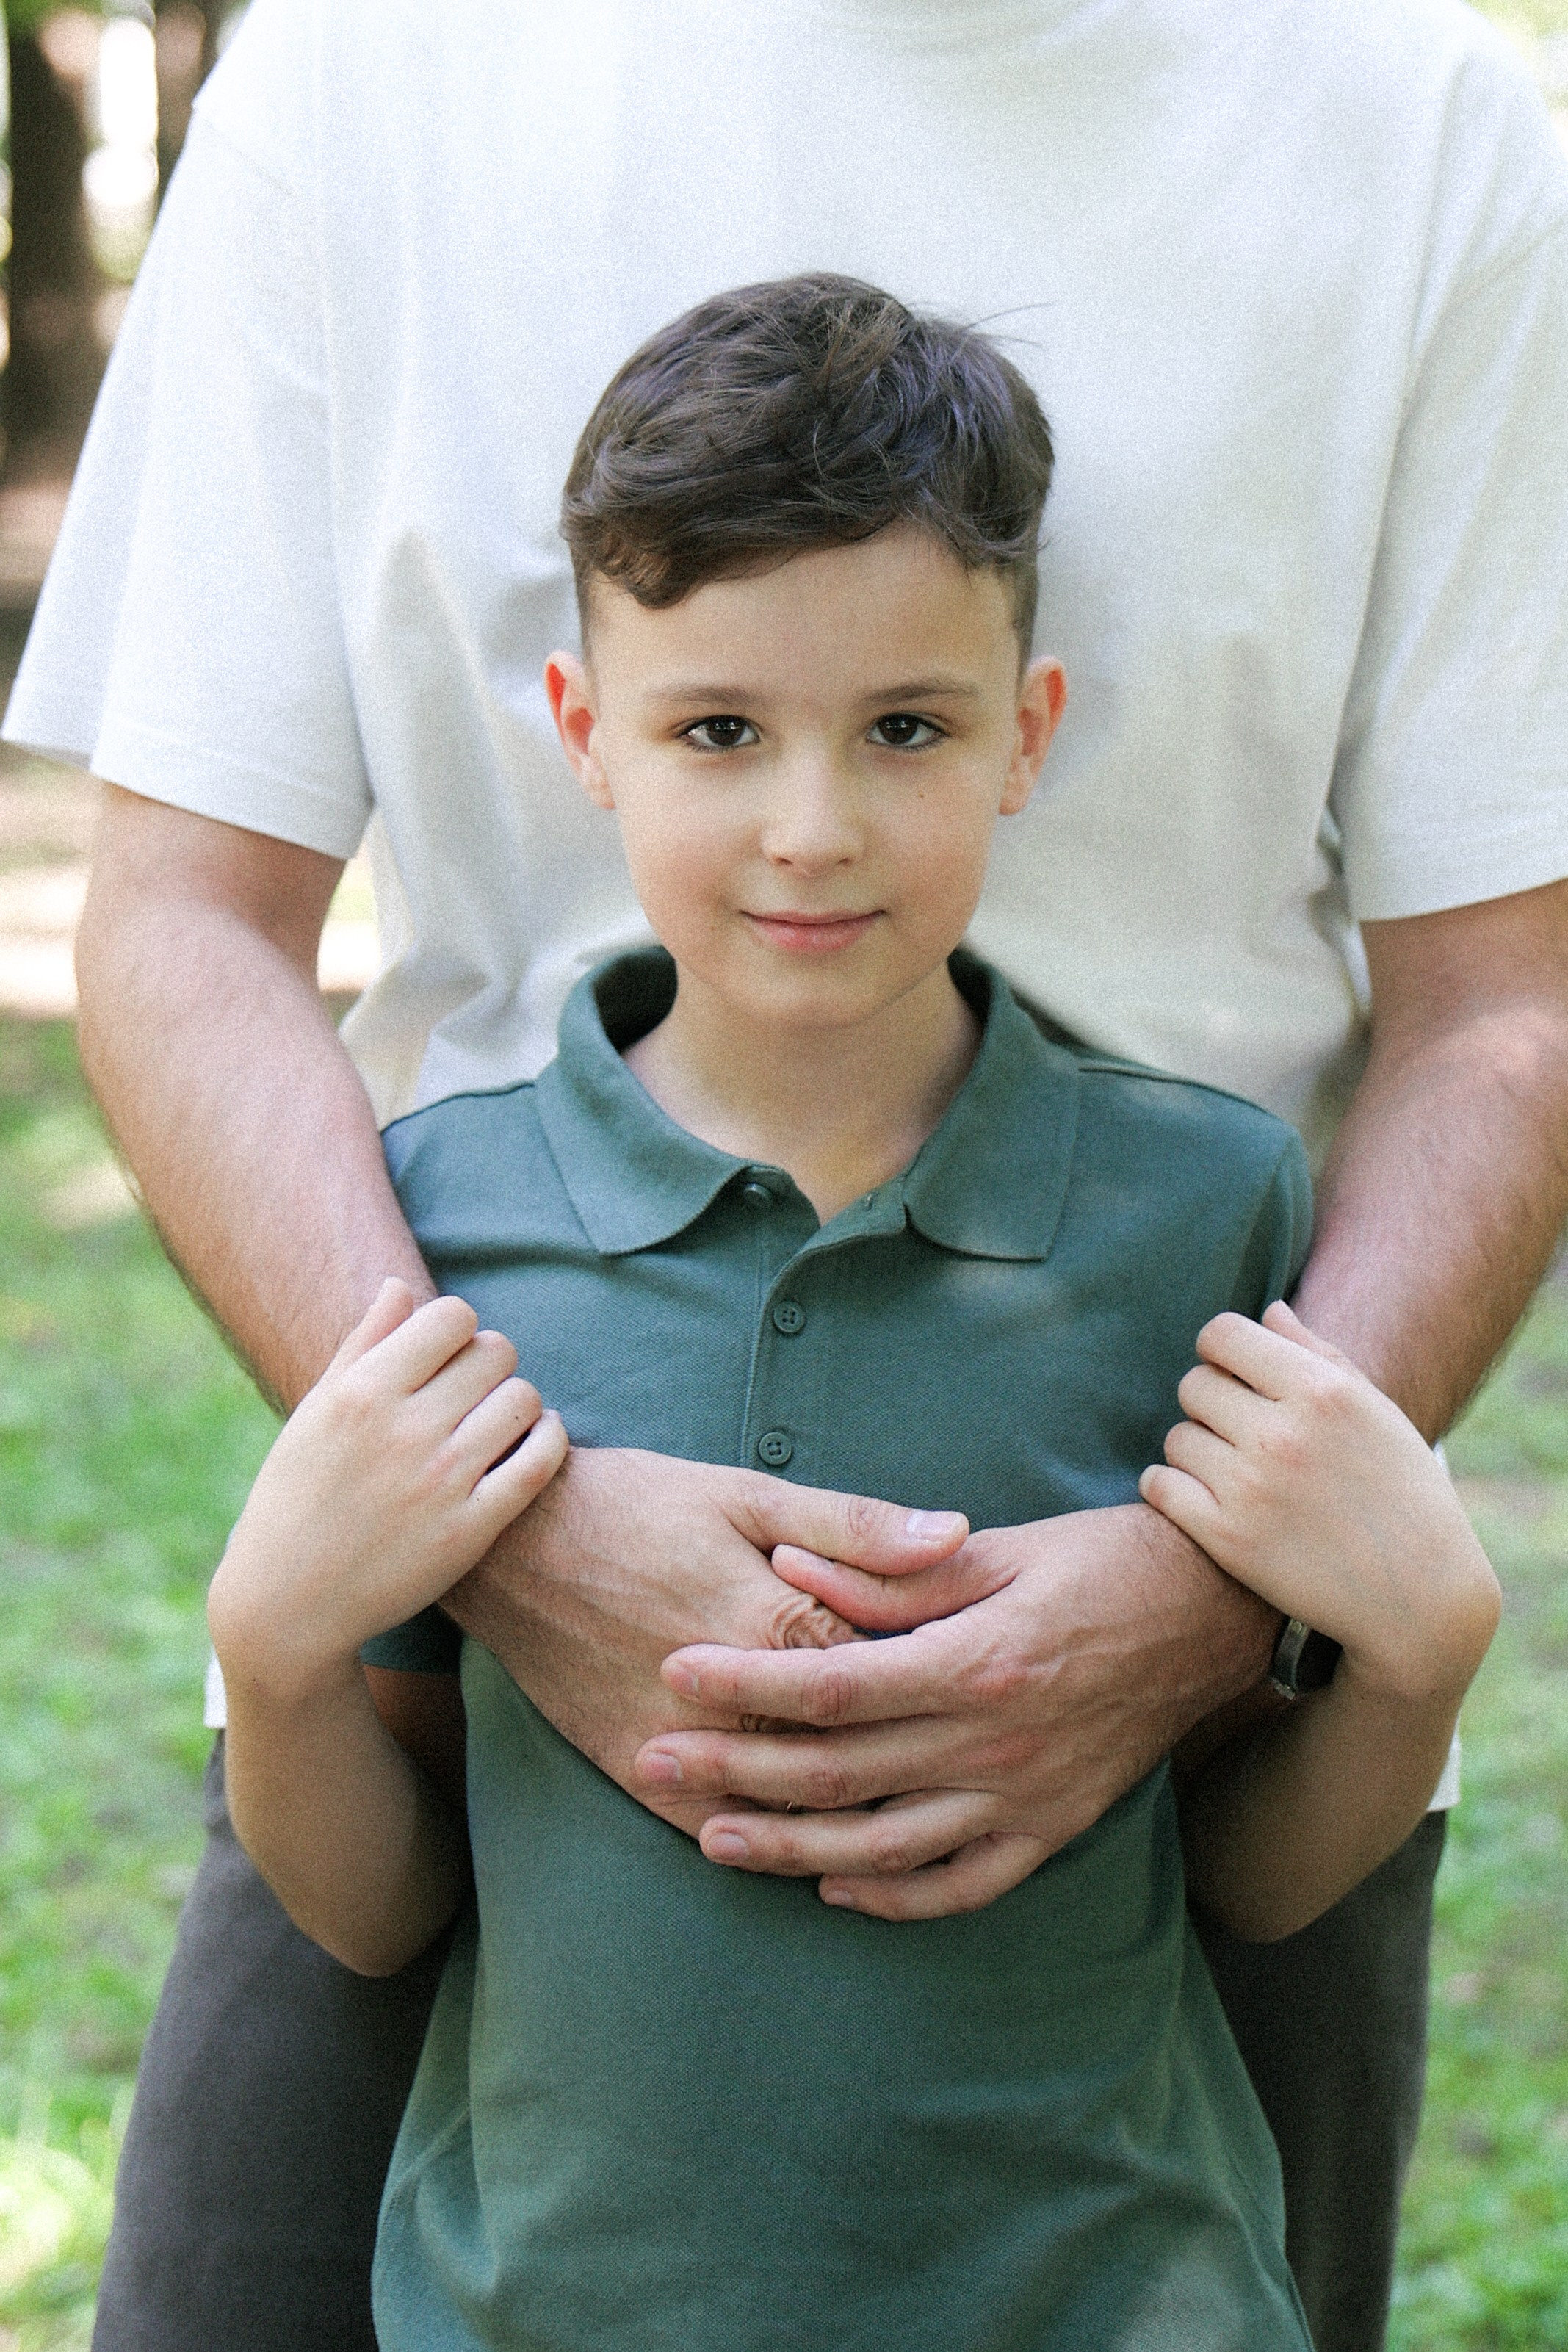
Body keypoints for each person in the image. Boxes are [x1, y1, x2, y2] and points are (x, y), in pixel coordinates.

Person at [6, 4, 1568, 2348]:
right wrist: (512, 1530)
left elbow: (1507, 1004)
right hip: (456, 1728)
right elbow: (182, 916)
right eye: (724, 734)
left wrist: (1199, 1603)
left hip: (1185, 1738)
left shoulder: (1428, 130)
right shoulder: (360, 77)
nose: (810, 818)